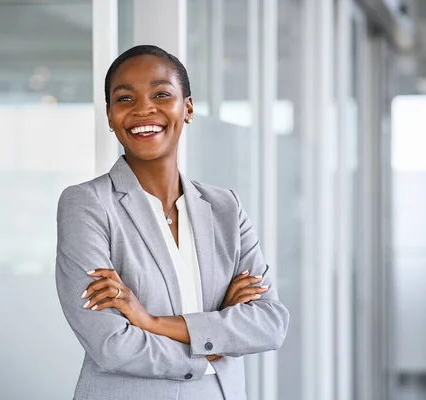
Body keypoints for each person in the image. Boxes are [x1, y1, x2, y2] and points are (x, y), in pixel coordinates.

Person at [55, 44, 289, 400]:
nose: (143, 109)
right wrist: (212, 343)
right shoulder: (87, 204)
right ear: (109, 115)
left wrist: (151, 323)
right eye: (124, 99)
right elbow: (111, 343)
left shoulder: (226, 207)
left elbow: (270, 323)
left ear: (188, 108)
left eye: (161, 94)